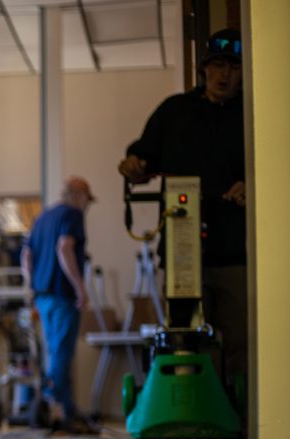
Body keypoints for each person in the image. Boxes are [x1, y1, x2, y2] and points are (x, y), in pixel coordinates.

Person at [118, 28, 247, 380]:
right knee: (185, 338)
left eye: (233, 67)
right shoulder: (175, 112)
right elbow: (142, 160)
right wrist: (134, 166)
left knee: (239, 341)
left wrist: (252, 188)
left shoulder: (252, 118)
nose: (224, 75)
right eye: (218, 66)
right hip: (180, 251)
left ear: (244, 71)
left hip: (237, 252)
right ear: (204, 68)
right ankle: (190, 413)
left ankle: (237, 425)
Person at [21, 176, 97, 434]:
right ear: (79, 195)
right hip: (63, 295)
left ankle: (64, 413)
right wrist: (80, 287)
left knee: (54, 353)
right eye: (87, 199)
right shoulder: (73, 215)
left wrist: (31, 285)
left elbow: (27, 255)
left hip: (43, 296)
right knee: (62, 355)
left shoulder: (42, 218)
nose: (87, 205)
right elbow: (65, 247)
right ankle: (53, 409)